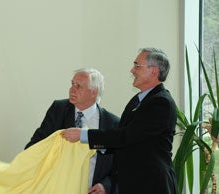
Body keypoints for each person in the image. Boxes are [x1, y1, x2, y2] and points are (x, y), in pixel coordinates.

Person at [62, 48, 178, 194]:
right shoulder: (137, 101)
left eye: (137, 66)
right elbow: (123, 141)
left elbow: (126, 136)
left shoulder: (161, 103)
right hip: (132, 184)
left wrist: (84, 135)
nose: (132, 70)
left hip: (151, 185)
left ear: (154, 71)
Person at [25, 67, 120, 194]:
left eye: (78, 86)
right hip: (58, 188)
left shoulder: (112, 123)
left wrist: (106, 186)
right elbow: (36, 144)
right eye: (72, 84)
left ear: (94, 92)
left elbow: (121, 165)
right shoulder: (58, 109)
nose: (72, 89)